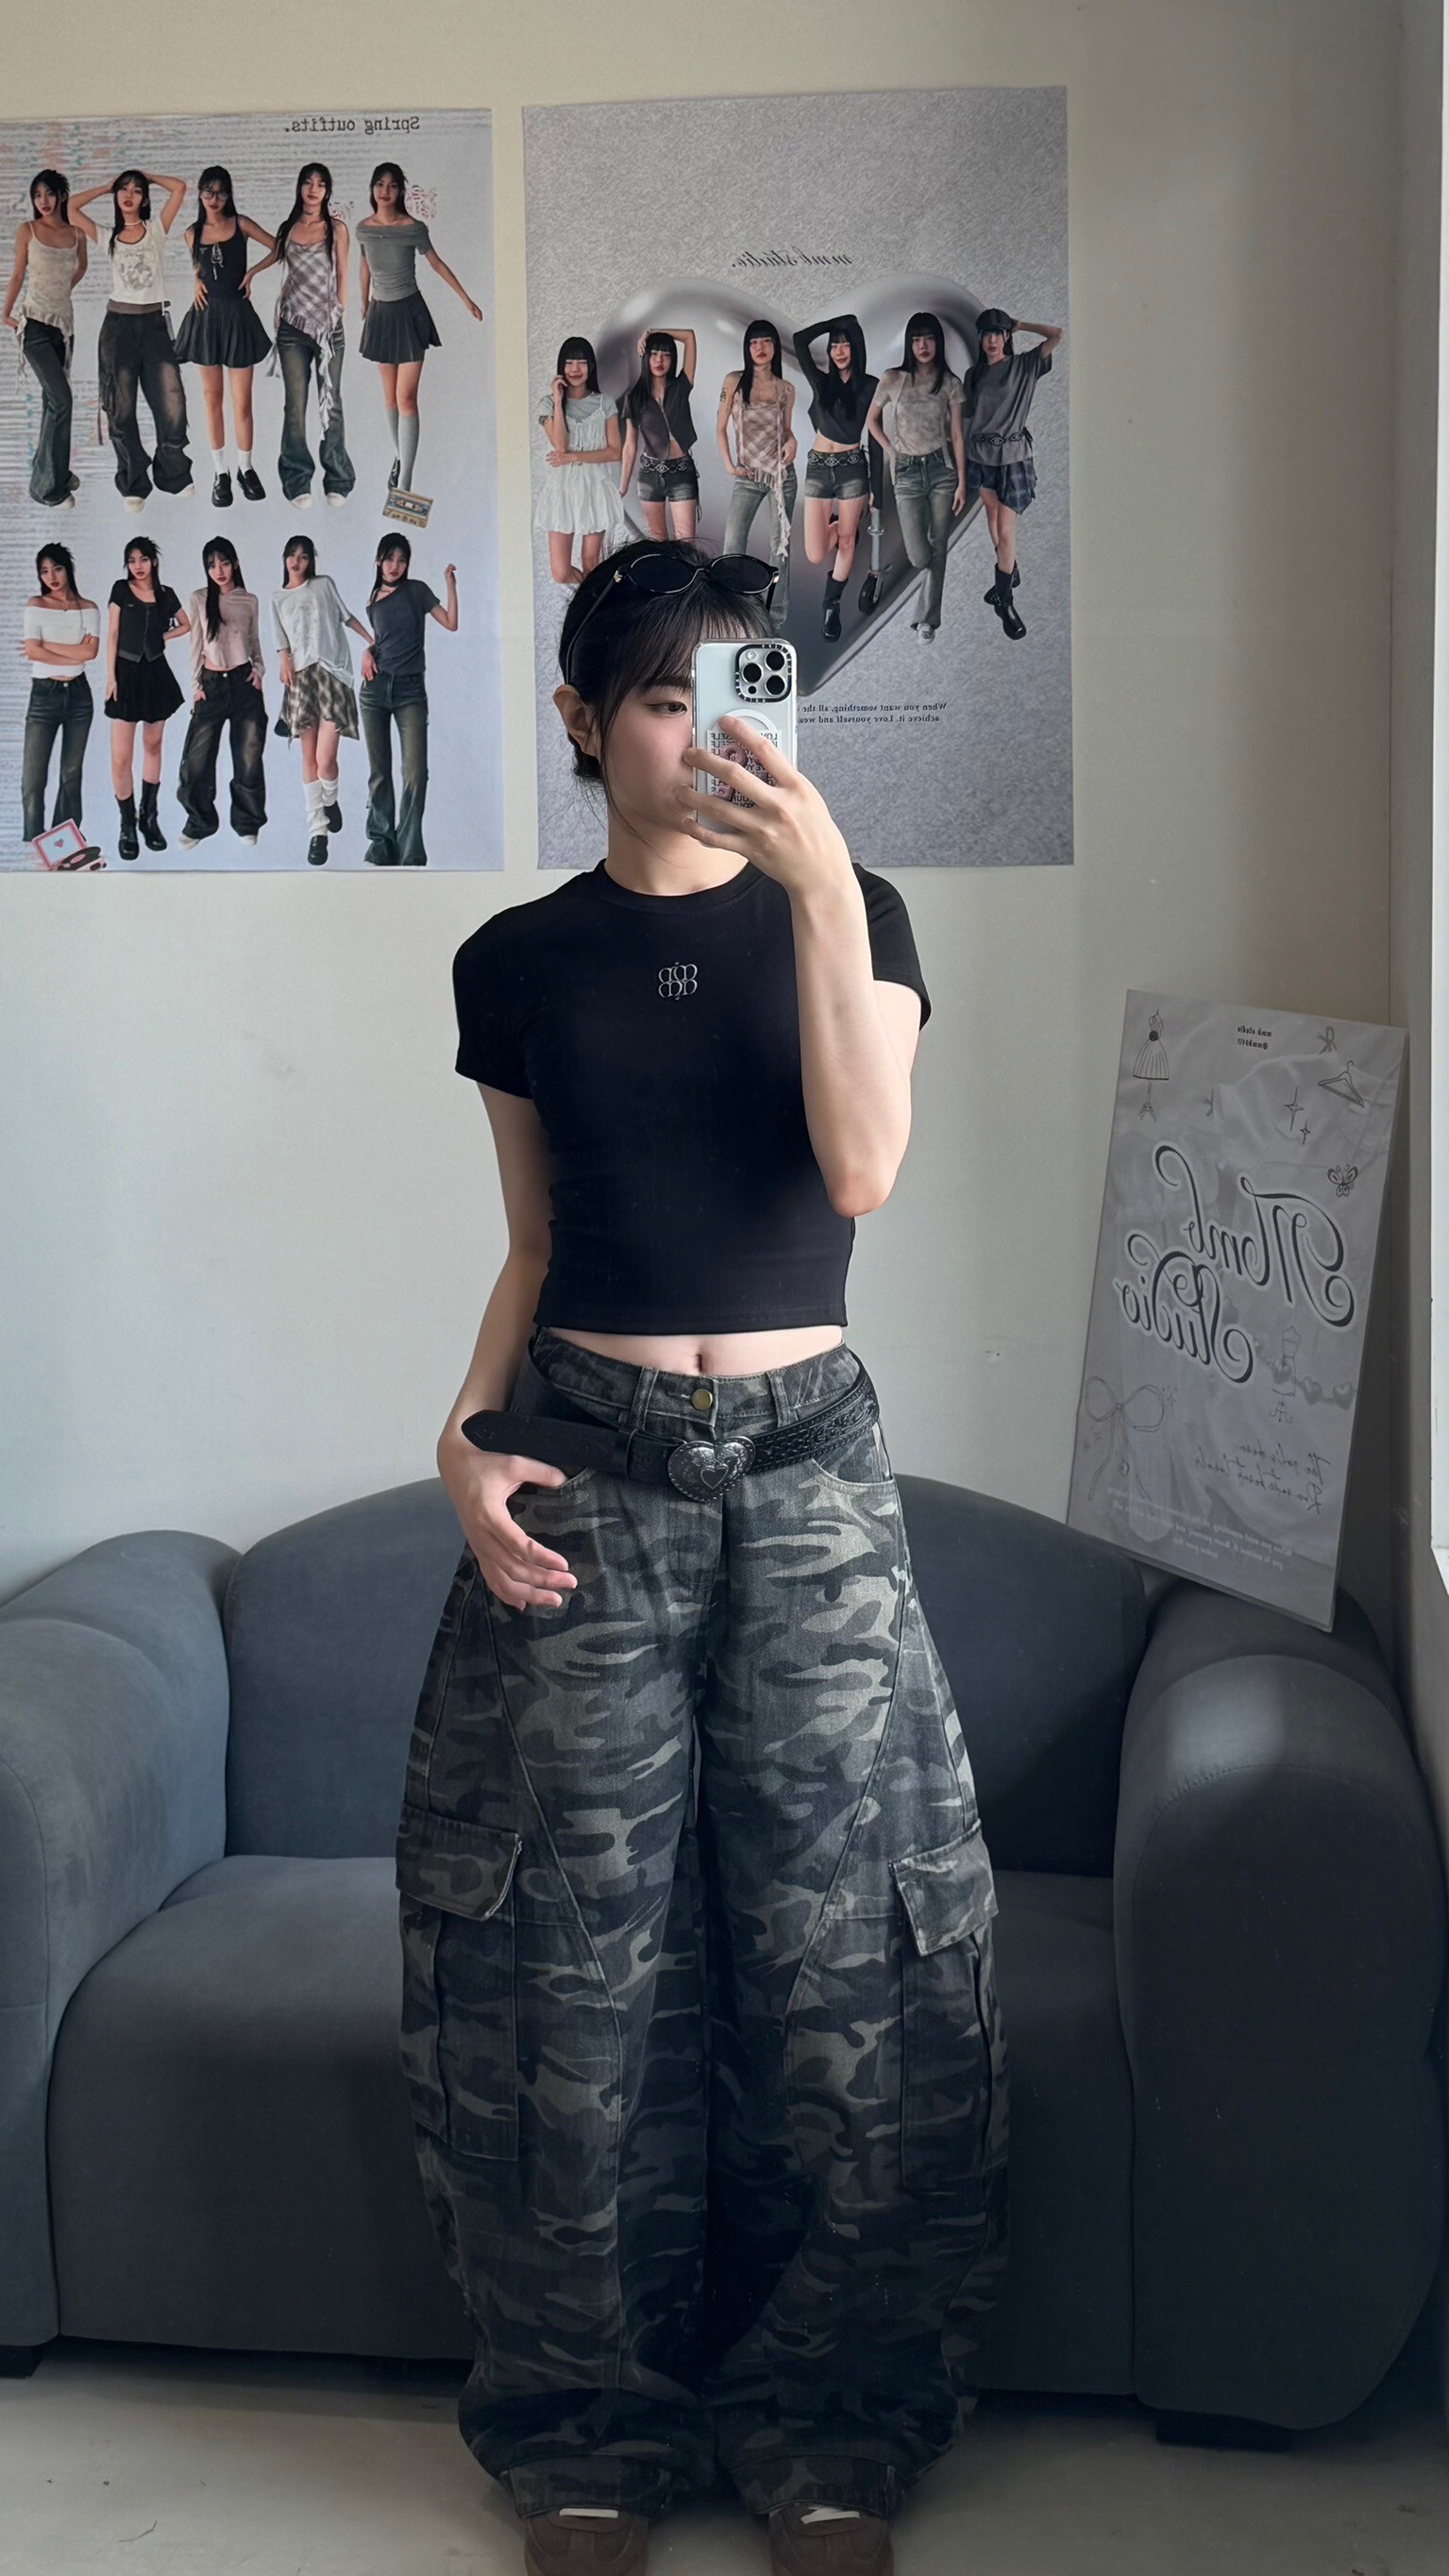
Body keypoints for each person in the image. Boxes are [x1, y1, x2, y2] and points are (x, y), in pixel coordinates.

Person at [398, 536, 1008, 2576]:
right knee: (569, 1966)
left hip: (806, 1463)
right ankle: (583, 2426)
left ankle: (831, 2422)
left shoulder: (862, 909)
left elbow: (860, 1165)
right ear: (584, 720)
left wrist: (821, 888)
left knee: (843, 1955)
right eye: (662, 698)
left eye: (742, 687)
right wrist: (460, 1429)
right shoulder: (516, 961)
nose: (708, 733)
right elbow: (535, 1245)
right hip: (586, 1460)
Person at [70, 167, 194, 510]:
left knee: (172, 404)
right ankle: (133, 481)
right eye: (123, 190)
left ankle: (174, 475)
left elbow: (179, 187)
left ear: (145, 198)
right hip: (118, 328)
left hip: (155, 325)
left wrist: (148, 177)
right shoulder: (107, 235)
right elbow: (70, 209)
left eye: (136, 190)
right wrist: (105, 186)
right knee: (120, 409)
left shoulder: (156, 230)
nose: (128, 195)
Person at [357, 160, 482, 497]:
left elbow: (436, 263)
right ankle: (399, 457)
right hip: (381, 315)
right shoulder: (364, 229)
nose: (385, 191)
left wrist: (466, 299)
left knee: (406, 398)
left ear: (400, 191)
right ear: (372, 189)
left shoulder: (412, 227)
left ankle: (405, 484)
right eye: (379, 184)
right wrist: (363, 303)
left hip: (409, 313)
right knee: (389, 397)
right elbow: (364, 264)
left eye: (392, 185)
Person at [247, 162, 356, 510]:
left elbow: (343, 274)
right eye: (308, 183)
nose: (313, 189)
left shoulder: (337, 229)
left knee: (331, 403)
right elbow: (276, 254)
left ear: (327, 191)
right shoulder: (289, 227)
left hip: (328, 327)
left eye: (320, 184)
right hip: (292, 328)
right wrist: (251, 272)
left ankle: (338, 479)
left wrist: (338, 314)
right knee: (295, 406)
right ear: (299, 188)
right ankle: (296, 480)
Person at [172, 166, 276, 506]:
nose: (214, 199)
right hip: (206, 319)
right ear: (200, 194)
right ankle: (221, 473)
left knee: (242, 401)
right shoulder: (191, 232)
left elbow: (278, 247)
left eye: (220, 192)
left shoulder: (241, 224)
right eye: (208, 191)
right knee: (211, 398)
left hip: (237, 316)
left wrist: (253, 273)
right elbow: (198, 270)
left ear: (229, 194)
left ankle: (246, 467)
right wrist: (194, 280)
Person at [960, 308, 1063, 642]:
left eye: (998, 333)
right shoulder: (973, 375)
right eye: (986, 334)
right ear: (980, 339)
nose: (992, 340)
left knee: (1006, 529)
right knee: (992, 517)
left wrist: (1021, 325)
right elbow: (966, 419)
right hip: (980, 456)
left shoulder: (1024, 366)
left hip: (1013, 457)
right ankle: (1009, 569)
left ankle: (1004, 600)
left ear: (1006, 337)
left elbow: (1057, 335)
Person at [271, 532, 372, 867]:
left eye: (303, 556)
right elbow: (281, 643)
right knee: (308, 759)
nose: (296, 562)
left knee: (325, 760)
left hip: (332, 673)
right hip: (302, 679)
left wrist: (370, 641)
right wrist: (284, 662)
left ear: (310, 561)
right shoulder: (278, 598)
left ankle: (330, 798)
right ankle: (317, 831)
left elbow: (346, 616)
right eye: (292, 555)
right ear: (285, 558)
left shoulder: (323, 585)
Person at [866, 313, 967, 645]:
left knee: (939, 545)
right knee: (920, 556)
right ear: (909, 344)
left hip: (942, 470)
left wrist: (962, 481)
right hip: (907, 472)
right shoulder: (893, 378)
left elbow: (957, 434)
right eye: (916, 339)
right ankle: (924, 609)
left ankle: (927, 620)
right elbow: (872, 420)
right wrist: (891, 450)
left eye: (929, 338)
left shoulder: (950, 383)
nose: (923, 346)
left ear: (938, 342)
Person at [359, 532, 458, 867]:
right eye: (389, 558)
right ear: (378, 561)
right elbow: (383, 641)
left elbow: (451, 623)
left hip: (410, 692)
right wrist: (367, 651)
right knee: (379, 772)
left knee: (415, 773)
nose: (395, 565)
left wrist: (449, 584)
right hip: (374, 690)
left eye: (401, 560)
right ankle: (380, 844)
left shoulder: (417, 591)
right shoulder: (373, 599)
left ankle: (410, 847)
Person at [790, 314, 882, 641]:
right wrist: (838, 324)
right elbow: (800, 340)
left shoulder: (870, 385)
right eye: (834, 346)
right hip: (818, 466)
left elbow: (875, 437)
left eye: (845, 345)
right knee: (815, 554)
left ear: (856, 348)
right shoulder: (822, 382)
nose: (840, 351)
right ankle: (845, 524)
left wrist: (877, 489)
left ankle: (831, 606)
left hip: (852, 467)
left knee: (845, 542)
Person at [2, 170, 86, 508]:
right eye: (37, 195)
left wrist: (60, 291)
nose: (43, 201)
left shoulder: (77, 234)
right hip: (34, 326)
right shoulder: (28, 230)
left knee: (54, 403)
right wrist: (5, 313)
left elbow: (79, 269)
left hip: (63, 329)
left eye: (49, 194)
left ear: (61, 195)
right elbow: (17, 274)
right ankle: (49, 487)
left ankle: (55, 475)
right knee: (61, 400)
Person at [177, 537, 266, 850]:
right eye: (212, 565)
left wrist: (259, 670)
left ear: (235, 564)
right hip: (211, 685)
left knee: (249, 758)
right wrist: (195, 686)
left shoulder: (249, 600)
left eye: (224, 563)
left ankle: (247, 822)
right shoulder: (199, 598)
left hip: (244, 684)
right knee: (196, 762)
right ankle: (200, 823)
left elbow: (254, 641)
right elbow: (195, 645)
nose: (219, 570)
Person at [104, 534, 190, 858]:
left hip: (155, 674)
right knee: (121, 758)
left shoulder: (166, 594)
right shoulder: (120, 589)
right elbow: (113, 634)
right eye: (131, 560)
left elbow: (187, 624)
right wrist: (110, 678)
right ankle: (127, 823)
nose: (137, 566)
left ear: (153, 561)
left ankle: (149, 818)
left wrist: (163, 636)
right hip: (125, 674)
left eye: (143, 559)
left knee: (153, 746)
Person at [716, 320, 797, 630]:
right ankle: (731, 610)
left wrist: (793, 441)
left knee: (780, 548)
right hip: (747, 475)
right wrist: (729, 465)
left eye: (765, 341)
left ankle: (774, 618)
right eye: (753, 342)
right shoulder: (734, 381)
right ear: (746, 348)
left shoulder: (786, 389)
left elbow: (786, 431)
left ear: (775, 346)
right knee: (732, 546)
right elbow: (720, 428)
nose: (759, 348)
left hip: (781, 477)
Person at [19, 542, 98, 849]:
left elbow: (89, 653)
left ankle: (63, 846)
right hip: (44, 696)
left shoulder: (88, 607)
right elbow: (33, 652)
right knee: (33, 779)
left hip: (79, 696)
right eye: (44, 571)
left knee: (71, 774)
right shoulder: (35, 604)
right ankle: (33, 844)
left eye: (57, 568)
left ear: (68, 569)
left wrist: (45, 647)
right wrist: (72, 651)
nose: (51, 576)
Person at [534, 335, 627, 586]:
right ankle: (591, 600)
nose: (575, 369)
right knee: (560, 572)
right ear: (561, 367)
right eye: (569, 362)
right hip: (561, 489)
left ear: (591, 366)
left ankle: (591, 607)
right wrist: (557, 401)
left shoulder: (604, 403)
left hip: (594, 487)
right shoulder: (547, 404)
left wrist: (573, 457)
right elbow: (560, 445)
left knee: (591, 564)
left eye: (581, 362)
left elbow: (614, 452)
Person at [618, 327, 699, 539]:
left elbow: (689, 336)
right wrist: (623, 487)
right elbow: (630, 445)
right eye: (653, 354)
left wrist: (651, 332)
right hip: (650, 474)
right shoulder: (634, 397)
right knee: (658, 544)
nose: (659, 360)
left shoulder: (682, 385)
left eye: (666, 354)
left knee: (686, 544)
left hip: (682, 471)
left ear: (673, 359)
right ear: (645, 357)